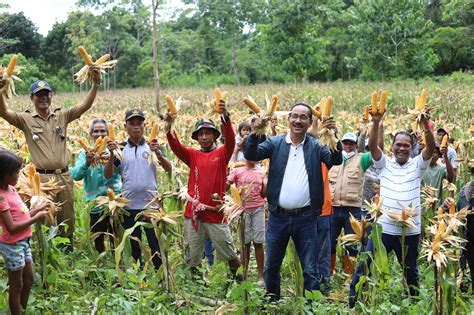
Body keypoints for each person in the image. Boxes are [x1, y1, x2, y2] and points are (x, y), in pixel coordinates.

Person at [244, 103, 342, 301]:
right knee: (272, 265)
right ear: (288, 119)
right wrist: (256, 132)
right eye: (294, 116)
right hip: (278, 217)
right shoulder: (275, 143)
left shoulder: (315, 146)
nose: (298, 120)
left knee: (310, 268)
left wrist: (332, 134)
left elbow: (335, 159)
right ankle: (272, 301)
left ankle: (310, 305)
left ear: (309, 122)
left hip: (306, 218)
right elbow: (251, 154)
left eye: (303, 117)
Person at [0, 67, 102, 250]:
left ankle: (67, 250)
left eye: (46, 94)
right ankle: (48, 251)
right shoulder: (25, 119)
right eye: (39, 95)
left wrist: (95, 84)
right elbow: (4, 113)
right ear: (32, 98)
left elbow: (84, 106)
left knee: (67, 216)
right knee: (45, 217)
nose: (43, 98)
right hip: (41, 180)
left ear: (51, 95)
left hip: (64, 176)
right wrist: (0, 91)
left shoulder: (62, 116)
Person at [349, 107, 435, 307]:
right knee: (365, 265)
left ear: (412, 147)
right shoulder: (384, 164)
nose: (402, 148)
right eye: (398, 145)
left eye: (406, 145)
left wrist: (424, 124)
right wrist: (377, 122)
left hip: (409, 231)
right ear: (392, 147)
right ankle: (353, 302)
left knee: (410, 271)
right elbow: (372, 147)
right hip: (384, 230)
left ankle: (413, 304)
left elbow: (430, 147)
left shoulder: (418, 165)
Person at [165, 100, 241, 278]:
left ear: (215, 136)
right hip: (194, 213)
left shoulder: (222, 153)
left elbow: (230, 139)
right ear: (197, 138)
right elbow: (175, 146)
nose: (204, 137)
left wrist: (224, 117)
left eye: (208, 133)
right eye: (201, 134)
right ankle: (197, 285)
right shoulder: (192, 155)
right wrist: (168, 126)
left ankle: (239, 282)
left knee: (229, 252)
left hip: (215, 212)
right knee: (192, 255)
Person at [104, 109, 172, 270]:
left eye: (139, 123)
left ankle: (160, 272)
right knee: (134, 243)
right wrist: (112, 154)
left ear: (144, 126)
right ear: (125, 126)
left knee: (155, 243)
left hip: (151, 205)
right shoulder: (120, 148)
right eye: (132, 124)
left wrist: (158, 153)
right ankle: (137, 273)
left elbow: (169, 168)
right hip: (129, 205)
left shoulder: (152, 146)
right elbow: (108, 175)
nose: (136, 127)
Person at [0, 150, 49, 315]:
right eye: (16, 172)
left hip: (24, 241)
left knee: (28, 280)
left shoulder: (12, 190)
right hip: (12, 245)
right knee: (17, 285)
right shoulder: (1, 198)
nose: (19, 175)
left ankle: (23, 308)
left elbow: (22, 214)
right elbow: (12, 227)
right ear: (4, 175)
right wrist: (36, 218)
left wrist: (35, 210)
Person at [71, 118, 121, 253]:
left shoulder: (116, 151)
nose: (100, 134)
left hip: (115, 200)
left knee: (117, 235)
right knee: (98, 236)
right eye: (96, 131)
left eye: (103, 131)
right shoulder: (84, 154)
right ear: (90, 134)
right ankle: (101, 261)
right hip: (95, 203)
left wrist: (112, 155)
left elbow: (124, 171)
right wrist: (87, 163)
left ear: (108, 133)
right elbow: (75, 175)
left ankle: (119, 262)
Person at [328, 131, 374, 276]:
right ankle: (329, 273)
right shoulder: (333, 158)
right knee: (329, 243)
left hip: (352, 210)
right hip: (333, 208)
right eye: (345, 143)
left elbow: (376, 149)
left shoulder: (363, 159)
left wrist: (374, 126)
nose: (348, 146)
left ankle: (349, 274)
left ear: (356, 145)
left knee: (352, 244)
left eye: (351, 143)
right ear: (341, 144)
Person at [227, 150, 267, 284]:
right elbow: (227, 185)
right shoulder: (237, 171)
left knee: (258, 243)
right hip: (242, 211)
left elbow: (264, 193)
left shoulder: (261, 171)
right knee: (245, 243)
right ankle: (244, 274)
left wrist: (267, 180)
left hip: (258, 209)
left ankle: (261, 276)